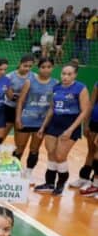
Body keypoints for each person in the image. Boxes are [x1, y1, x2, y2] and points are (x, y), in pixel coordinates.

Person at [35, 63, 91, 195]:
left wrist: (71, 129)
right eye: (63, 74)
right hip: (54, 123)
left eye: (69, 74)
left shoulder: (80, 88)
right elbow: (52, 108)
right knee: (51, 153)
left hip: (70, 123)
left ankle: (60, 185)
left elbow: (84, 111)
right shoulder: (56, 87)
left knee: (60, 156)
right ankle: (49, 183)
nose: (65, 77)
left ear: (75, 75)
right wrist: (43, 126)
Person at [14, 57, 58, 181]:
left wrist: (46, 124)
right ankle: (14, 171)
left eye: (49, 67)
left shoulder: (55, 83)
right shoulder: (30, 81)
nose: (46, 70)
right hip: (26, 120)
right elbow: (20, 101)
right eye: (43, 67)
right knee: (20, 147)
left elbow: (53, 105)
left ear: (52, 68)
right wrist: (18, 118)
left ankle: (29, 172)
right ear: (38, 68)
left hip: (41, 122)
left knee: (34, 149)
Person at [5, 55, 36, 136]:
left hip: (25, 111)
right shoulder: (9, 77)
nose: (27, 68)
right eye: (25, 66)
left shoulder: (34, 77)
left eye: (30, 66)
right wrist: (22, 98)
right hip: (9, 108)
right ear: (20, 63)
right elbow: (10, 97)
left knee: (20, 139)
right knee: (0, 137)